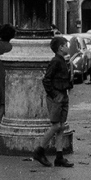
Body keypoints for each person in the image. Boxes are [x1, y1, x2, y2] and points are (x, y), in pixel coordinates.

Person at [33, 36, 74, 168]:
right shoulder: (56, 61)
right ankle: (39, 150)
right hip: (57, 96)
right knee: (56, 126)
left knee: (61, 126)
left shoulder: (62, 60)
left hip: (62, 94)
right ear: (61, 47)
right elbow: (46, 79)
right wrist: (54, 94)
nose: (68, 47)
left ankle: (59, 156)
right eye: (66, 45)